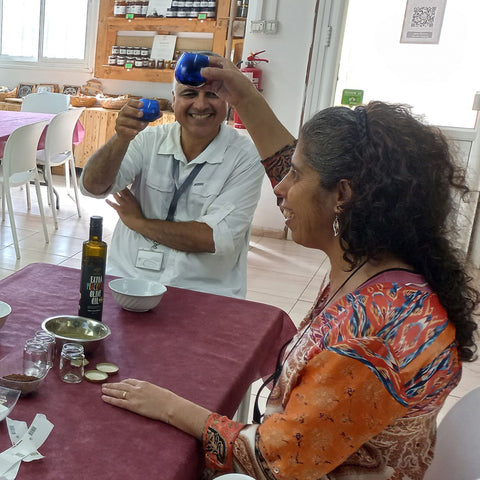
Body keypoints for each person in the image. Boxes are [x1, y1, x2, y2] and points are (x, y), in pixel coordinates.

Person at [101, 56, 479, 479]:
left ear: (342, 196)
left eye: (295, 176)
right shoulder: (379, 269)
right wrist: (240, 93)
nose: (280, 188)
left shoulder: (373, 333)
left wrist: (169, 406)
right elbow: (287, 163)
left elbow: (272, 459)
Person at [80, 65, 264, 299]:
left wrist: (139, 223)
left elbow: (213, 239)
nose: (200, 104)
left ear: (228, 101)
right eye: (189, 94)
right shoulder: (147, 140)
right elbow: (92, 187)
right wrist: (121, 138)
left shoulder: (245, 157)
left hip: (202, 291)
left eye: (212, 94)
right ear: (174, 100)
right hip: (127, 279)